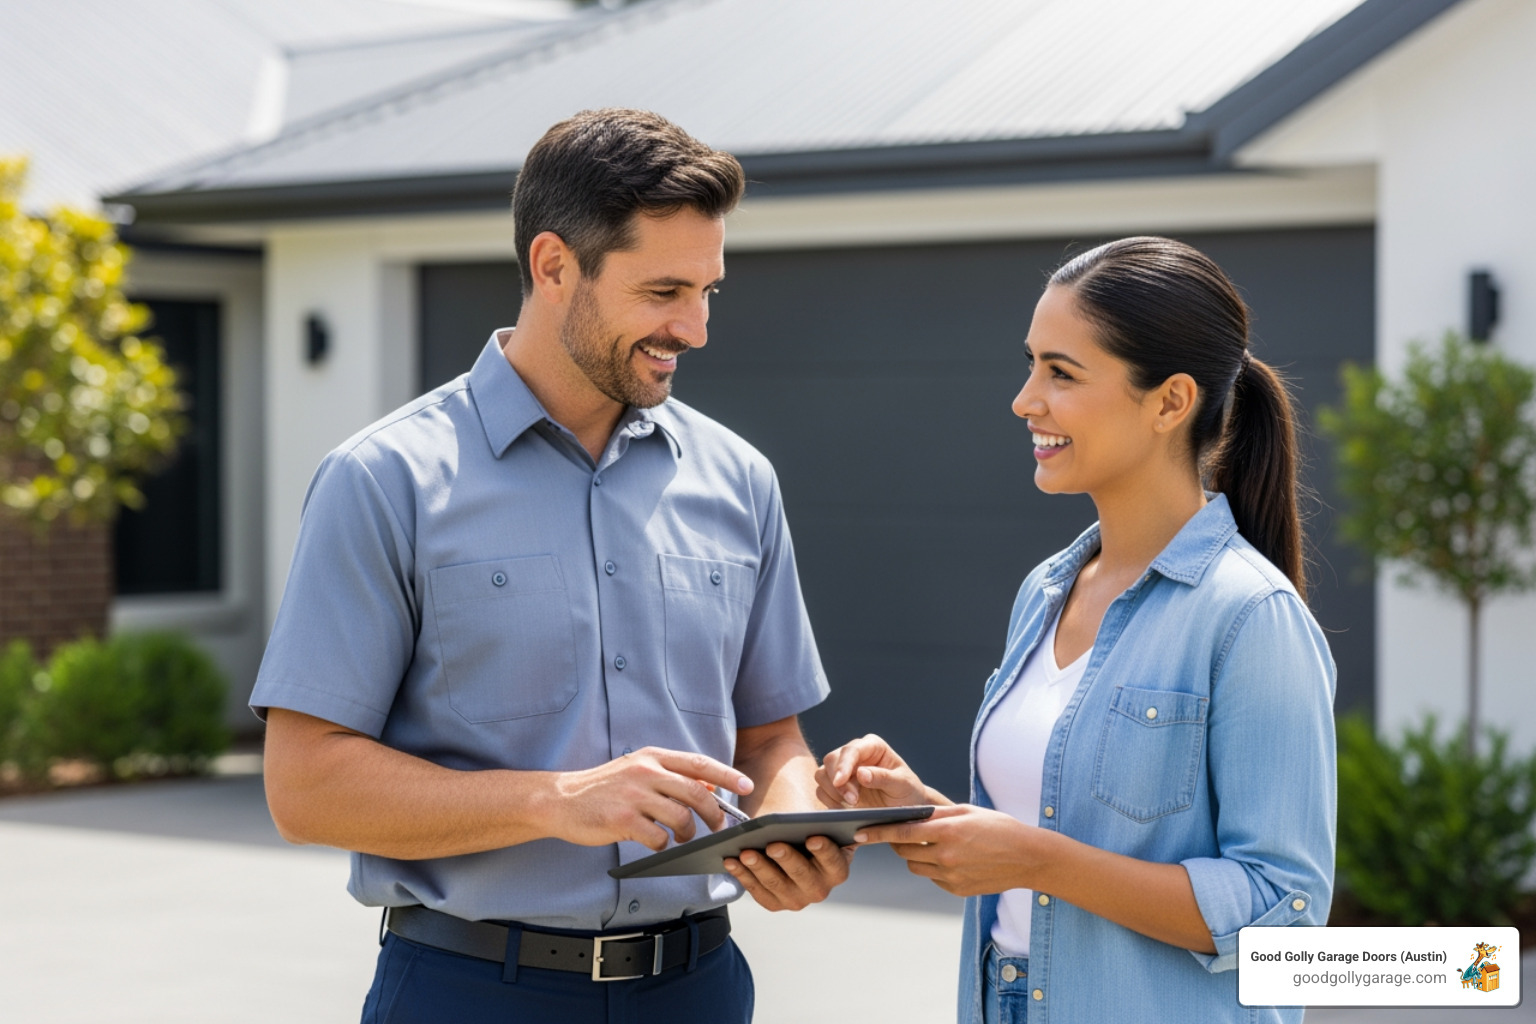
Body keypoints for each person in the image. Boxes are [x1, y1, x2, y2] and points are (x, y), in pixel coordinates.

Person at [252, 108, 850, 1024]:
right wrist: (556, 801)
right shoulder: (384, 480)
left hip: (700, 991)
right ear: (553, 265)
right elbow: (304, 788)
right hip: (470, 993)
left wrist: (795, 827)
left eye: (708, 292)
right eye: (662, 293)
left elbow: (770, 740)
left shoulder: (740, 479)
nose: (693, 328)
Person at [818, 237, 1336, 1024]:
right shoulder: (1046, 592)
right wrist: (924, 812)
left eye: (1061, 373)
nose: (1026, 399)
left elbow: (1283, 912)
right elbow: (1049, 825)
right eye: (1031, 364)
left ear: (1170, 402)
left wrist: (1035, 860)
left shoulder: (1249, 617)